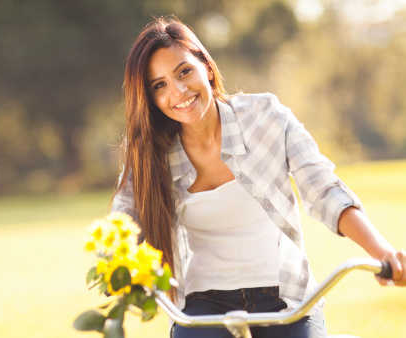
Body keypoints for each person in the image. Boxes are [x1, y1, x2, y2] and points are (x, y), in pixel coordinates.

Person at [111, 16, 405, 338]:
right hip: (203, 302)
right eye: (160, 85)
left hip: (282, 296)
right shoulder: (147, 151)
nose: (178, 91)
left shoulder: (267, 117)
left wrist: (382, 252)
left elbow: (324, 190)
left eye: (184, 71)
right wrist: (120, 268)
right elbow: (124, 223)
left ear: (206, 68)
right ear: (151, 97)